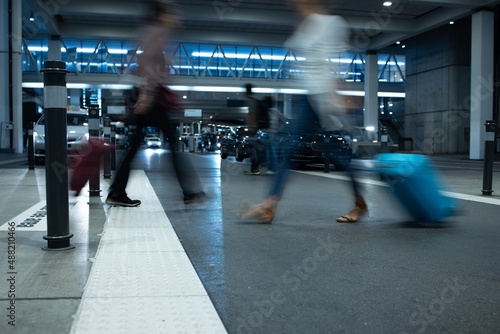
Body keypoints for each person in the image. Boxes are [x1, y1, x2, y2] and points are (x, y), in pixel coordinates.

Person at [238, 0, 368, 223]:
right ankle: (269, 205)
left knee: (339, 155)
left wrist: (341, 95)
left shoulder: (332, 23)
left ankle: (359, 203)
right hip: (309, 96)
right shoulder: (307, 23)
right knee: (290, 149)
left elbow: (335, 64)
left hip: (325, 97)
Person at [106, 0, 204, 207]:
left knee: (136, 145)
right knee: (171, 143)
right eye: (171, 14)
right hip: (150, 97)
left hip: (149, 96)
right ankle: (188, 192)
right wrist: (147, 95)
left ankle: (116, 191)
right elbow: (147, 65)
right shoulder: (156, 33)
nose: (175, 17)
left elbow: (145, 66)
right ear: (161, 15)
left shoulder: (154, 33)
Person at [263, 96, 285, 174]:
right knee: (270, 152)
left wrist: (278, 130)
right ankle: (271, 169)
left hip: (272, 133)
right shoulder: (272, 112)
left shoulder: (274, 112)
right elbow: (283, 121)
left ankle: (274, 169)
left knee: (272, 152)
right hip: (270, 133)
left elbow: (283, 121)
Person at [243, 83, 261, 175]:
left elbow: (252, 114)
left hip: (252, 128)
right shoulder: (253, 100)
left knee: (251, 148)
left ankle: (255, 168)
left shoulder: (251, 101)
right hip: (254, 127)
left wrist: (250, 127)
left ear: (247, 91)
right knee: (252, 148)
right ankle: (254, 168)